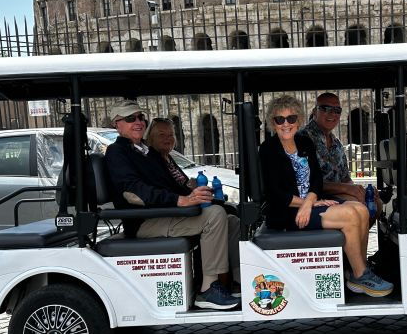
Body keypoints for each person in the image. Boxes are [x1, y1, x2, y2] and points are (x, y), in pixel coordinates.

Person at [104, 100, 239, 311]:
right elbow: (133, 193)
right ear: (117, 124)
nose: (138, 122)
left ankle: (236, 281)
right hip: (146, 221)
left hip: (164, 213)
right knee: (214, 216)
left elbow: (172, 185)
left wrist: (195, 194)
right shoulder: (117, 152)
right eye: (130, 118)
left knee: (230, 219)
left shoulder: (146, 151)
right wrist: (181, 200)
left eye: (141, 117)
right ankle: (208, 289)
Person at [259, 94, 393, 297]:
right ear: (273, 122)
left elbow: (316, 181)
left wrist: (311, 202)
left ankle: (358, 269)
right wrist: (306, 204)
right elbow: (274, 193)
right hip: (288, 212)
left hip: (309, 205)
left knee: (361, 209)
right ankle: (360, 275)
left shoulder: (304, 142)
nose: (286, 124)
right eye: (280, 119)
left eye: (291, 118)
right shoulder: (268, 149)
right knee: (350, 215)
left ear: (298, 119)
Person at [144, 116, 241, 288]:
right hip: (167, 214)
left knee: (232, 219)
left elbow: (182, 187)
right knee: (216, 214)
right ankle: (210, 285)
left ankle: (237, 277)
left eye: (171, 135)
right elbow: (167, 192)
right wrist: (189, 194)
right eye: (161, 135)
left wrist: (194, 188)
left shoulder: (168, 158)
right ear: (151, 138)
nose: (167, 138)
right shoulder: (152, 160)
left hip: (180, 211)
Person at [301, 92, 382, 213]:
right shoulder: (303, 139)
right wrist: (345, 188)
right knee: (356, 205)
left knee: (375, 203)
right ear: (314, 111)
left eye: (337, 110)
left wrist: (359, 190)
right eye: (326, 108)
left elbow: (345, 178)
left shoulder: (337, 143)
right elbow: (305, 183)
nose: (333, 114)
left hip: (337, 194)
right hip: (313, 198)